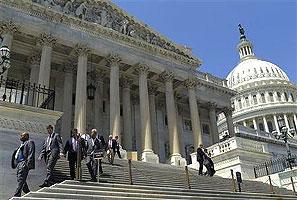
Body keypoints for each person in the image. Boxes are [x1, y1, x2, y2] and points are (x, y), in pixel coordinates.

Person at [12, 132, 35, 197]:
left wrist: (28, 163)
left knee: (21, 179)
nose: (20, 136)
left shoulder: (30, 142)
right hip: (19, 164)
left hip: (24, 163)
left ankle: (16, 195)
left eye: (22, 135)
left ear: (26, 136)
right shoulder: (22, 144)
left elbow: (31, 152)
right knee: (20, 179)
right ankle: (28, 192)